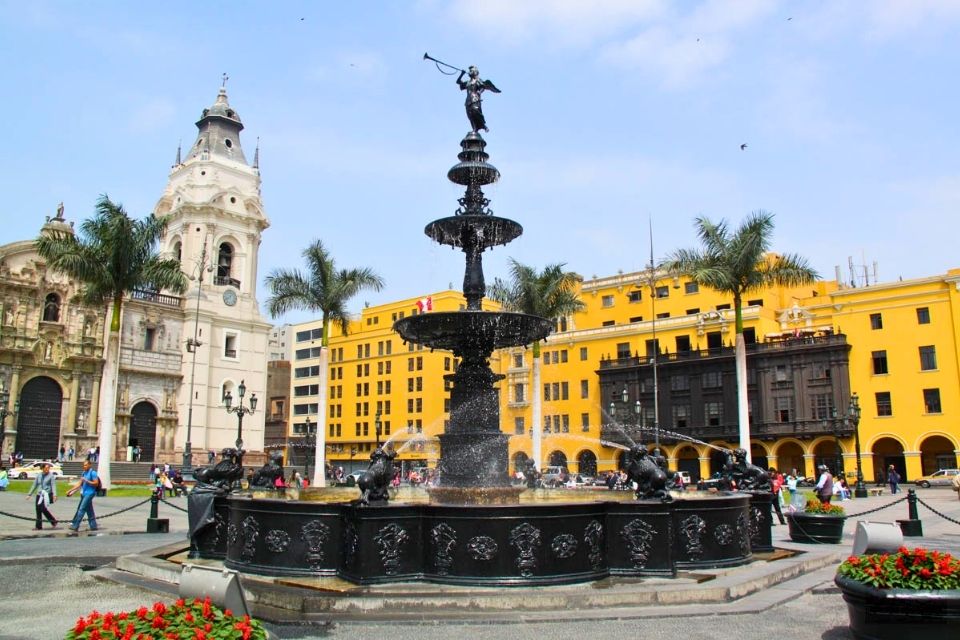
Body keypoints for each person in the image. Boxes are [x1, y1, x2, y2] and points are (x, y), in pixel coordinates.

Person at [456, 65, 500, 133]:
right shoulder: (468, 82)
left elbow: (483, 86)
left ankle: (484, 126)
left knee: (476, 111)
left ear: (475, 72)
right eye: (469, 71)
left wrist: (479, 92)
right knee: (470, 115)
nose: (469, 72)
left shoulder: (477, 80)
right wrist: (462, 74)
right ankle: (474, 128)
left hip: (475, 98)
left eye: (471, 71)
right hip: (468, 100)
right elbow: (458, 82)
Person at [66, 460, 99, 531]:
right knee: (89, 510)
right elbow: (79, 484)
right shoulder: (84, 473)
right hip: (84, 493)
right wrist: (70, 490)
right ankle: (93, 526)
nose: (84, 466)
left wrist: (87, 481)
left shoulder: (93, 473)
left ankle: (75, 525)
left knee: (81, 509)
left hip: (90, 493)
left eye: (86, 465)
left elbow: (96, 483)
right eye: (84, 465)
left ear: (90, 465)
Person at [26, 462, 59, 530]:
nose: (47, 469)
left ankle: (53, 521)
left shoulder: (51, 475)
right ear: (42, 468)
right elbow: (34, 485)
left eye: (48, 468)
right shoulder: (39, 475)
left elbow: (53, 485)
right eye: (46, 468)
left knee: (43, 508)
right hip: (39, 494)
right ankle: (38, 526)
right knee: (38, 509)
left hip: (47, 494)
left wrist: (54, 495)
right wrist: (29, 494)